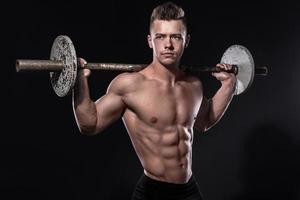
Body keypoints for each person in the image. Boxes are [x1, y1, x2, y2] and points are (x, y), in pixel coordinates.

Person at [72, 1, 236, 200]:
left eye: (176, 36)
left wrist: (228, 87)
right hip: (153, 192)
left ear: (186, 40)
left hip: (188, 190)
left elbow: (205, 121)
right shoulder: (130, 85)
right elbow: (91, 124)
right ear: (150, 40)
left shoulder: (193, 85)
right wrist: (79, 81)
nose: (168, 44)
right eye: (161, 37)